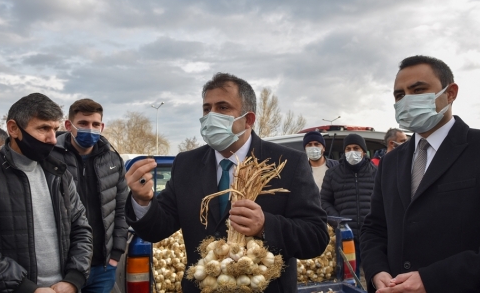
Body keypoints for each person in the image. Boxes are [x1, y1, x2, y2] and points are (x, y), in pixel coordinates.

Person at [125, 73, 329, 293]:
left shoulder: (288, 163)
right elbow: (158, 228)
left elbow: (315, 237)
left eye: (223, 108)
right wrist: (142, 200)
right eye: (206, 108)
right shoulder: (186, 164)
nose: (211, 116)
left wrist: (265, 226)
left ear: (248, 119)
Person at [360, 55, 480, 293]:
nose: (407, 100)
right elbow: (375, 227)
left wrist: (431, 280)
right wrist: (377, 271)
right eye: (399, 95)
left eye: (418, 90)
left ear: (450, 93)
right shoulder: (391, 162)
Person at [0, 93, 93, 293]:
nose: (52, 139)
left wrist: (74, 279)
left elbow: (81, 229)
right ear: (13, 129)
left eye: (55, 129)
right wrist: (26, 288)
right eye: (43, 128)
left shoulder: (59, 173)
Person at [50, 98, 129, 293]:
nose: (90, 129)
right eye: (83, 124)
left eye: (95, 124)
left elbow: (121, 208)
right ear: (69, 125)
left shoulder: (112, 159)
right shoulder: (50, 158)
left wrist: (116, 252)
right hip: (63, 268)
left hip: (103, 266)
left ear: (102, 126)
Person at [320, 134, 376, 275]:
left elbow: (385, 201)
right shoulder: (333, 174)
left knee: (375, 276)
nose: (352, 152)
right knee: (350, 277)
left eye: (356, 148)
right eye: (348, 148)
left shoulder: (376, 172)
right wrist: (338, 219)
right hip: (346, 236)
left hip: (371, 235)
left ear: (363, 151)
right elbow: (324, 201)